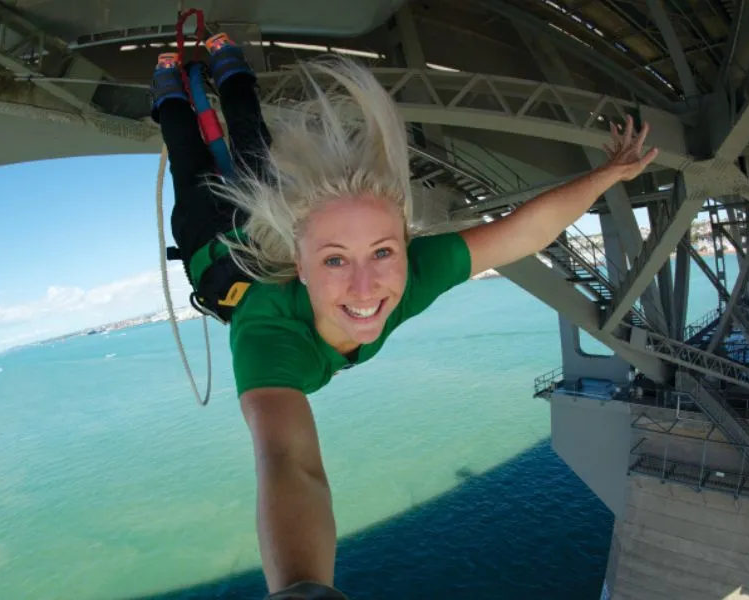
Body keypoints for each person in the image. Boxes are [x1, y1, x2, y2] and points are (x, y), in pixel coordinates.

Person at [151, 34, 659, 600]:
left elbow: (521, 233)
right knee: (194, 157)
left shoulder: (416, 272)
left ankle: (207, 69)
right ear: (299, 263)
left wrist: (609, 173)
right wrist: (302, 590)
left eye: (383, 252)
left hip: (256, 225)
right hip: (212, 242)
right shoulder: (265, 333)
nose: (366, 287)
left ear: (404, 246)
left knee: (249, 145)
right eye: (335, 259)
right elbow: (288, 463)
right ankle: (179, 82)